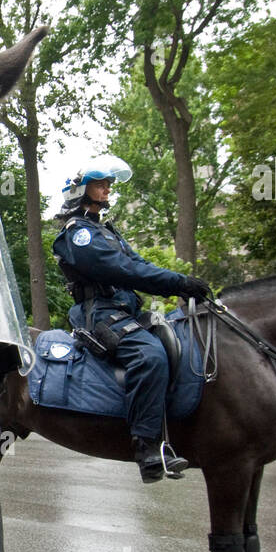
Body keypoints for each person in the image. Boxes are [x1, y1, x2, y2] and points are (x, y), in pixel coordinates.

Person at [52, 156, 211, 482]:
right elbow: (123, 270)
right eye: (100, 183)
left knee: (177, 337)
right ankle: (146, 445)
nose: (108, 188)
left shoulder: (107, 230)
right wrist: (178, 282)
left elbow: (139, 264)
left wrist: (179, 285)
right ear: (82, 190)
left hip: (127, 310)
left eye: (109, 183)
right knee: (149, 355)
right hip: (99, 313)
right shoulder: (78, 234)